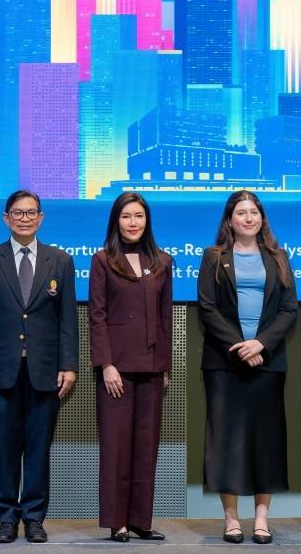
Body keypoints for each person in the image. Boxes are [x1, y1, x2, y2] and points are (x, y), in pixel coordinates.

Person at [0, 190, 79, 544]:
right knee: (4, 449)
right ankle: (7, 517)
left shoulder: (60, 260)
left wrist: (69, 365)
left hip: (45, 371)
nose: (25, 218)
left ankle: (34, 518)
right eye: (18, 213)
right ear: (6, 218)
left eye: (31, 213)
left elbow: (67, 319)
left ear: (41, 218)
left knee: (39, 449)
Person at [197, 191, 299, 545]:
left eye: (254, 212)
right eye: (241, 212)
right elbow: (207, 308)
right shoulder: (213, 257)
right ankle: (231, 520)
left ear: (261, 218)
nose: (248, 218)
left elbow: (289, 309)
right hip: (225, 363)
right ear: (230, 219)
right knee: (226, 441)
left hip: (267, 363)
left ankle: (261, 520)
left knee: (265, 442)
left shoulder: (278, 257)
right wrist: (241, 346)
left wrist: (261, 344)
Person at [89, 191, 173, 543]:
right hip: (117, 369)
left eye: (139, 216)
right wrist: (106, 364)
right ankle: (117, 522)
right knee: (117, 447)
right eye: (126, 216)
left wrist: (165, 366)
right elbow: (97, 316)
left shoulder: (163, 261)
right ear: (116, 221)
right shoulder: (103, 260)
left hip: (152, 367)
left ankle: (141, 520)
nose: (133, 222)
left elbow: (166, 317)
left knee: (146, 446)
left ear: (146, 220)